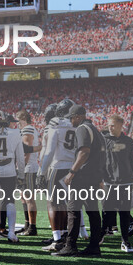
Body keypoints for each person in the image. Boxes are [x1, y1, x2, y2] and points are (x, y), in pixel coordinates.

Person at [53, 105, 104, 257]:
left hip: (83, 176)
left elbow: (84, 152)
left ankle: (71, 246)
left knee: (73, 210)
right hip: (93, 176)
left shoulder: (82, 128)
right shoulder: (95, 130)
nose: (70, 121)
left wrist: (72, 172)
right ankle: (94, 246)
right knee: (93, 211)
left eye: (71, 117)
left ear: (77, 116)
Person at [39, 99, 76, 252]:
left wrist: (42, 172)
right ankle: (66, 235)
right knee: (67, 204)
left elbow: (49, 151)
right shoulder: (77, 125)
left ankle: (57, 240)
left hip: (58, 167)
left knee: (54, 203)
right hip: (73, 168)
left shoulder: (56, 123)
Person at [100, 114, 133, 253]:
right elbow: (99, 162)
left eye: (113, 125)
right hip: (109, 182)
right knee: (106, 212)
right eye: (109, 125)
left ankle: (125, 241)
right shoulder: (103, 140)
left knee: (124, 213)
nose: (110, 127)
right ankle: (101, 235)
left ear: (121, 125)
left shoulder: (128, 141)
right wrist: (100, 179)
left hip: (126, 182)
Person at [0, 111, 25, 243]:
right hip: (9, 170)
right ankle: (11, 232)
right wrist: (21, 174)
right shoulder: (15, 133)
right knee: (9, 200)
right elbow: (20, 157)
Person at [18, 110, 39, 236]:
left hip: (28, 167)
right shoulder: (28, 129)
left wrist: (22, 166)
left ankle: (32, 227)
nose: (18, 124)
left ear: (24, 119)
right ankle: (27, 224)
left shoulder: (28, 129)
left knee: (29, 197)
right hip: (27, 167)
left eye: (19, 120)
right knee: (23, 197)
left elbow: (26, 149)